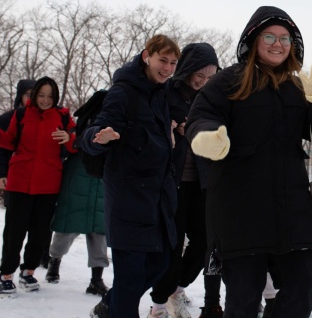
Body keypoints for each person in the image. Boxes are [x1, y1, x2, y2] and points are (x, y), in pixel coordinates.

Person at [185, 5, 312, 318]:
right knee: (243, 299)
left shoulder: (297, 85)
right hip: (240, 210)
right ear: (253, 40)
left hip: (292, 209)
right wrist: (207, 136)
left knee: (302, 289)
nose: (277, 44)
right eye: (269, 36)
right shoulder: (228, 81)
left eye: (285, 38)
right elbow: (201, 116)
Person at [81, 34, 181, 318]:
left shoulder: (161, 92)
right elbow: (93, 133)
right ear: (146, 56)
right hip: (129, 199)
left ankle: (109, 306)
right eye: (163, 60)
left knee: (161, 264)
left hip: (158, 200)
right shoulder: (123, 93)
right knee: (130, 276)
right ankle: (116, 308)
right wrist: (99, 137)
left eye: (173, 63)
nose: (168, 68)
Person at [147, 42, 222, 318]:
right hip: (171, 183)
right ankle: (158, 305)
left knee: (204, 242)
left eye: (210, 77)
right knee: (172, 245)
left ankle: (176, 289)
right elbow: (149, 127)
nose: (203, 82)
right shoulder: (166, 92)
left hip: (202, 184)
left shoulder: (213, 98)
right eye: (199, 75)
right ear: (188, 69)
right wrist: (171, 128)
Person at [0, 76, 76, 296]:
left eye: (50, 96)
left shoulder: (62, 116)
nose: (45, 100)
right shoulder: (21, 114)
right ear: (33, 96)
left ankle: (28, 271)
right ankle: (6, 274)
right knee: (14, 232)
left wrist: (69, 138)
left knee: (40, 232)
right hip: (19, 180)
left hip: (49, 183)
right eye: (41, 95)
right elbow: (9, 141)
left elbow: (76, 145)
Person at [44, 95, 112, 296]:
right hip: (77, 183)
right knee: (67, 228)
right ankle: (54, 262)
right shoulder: (80, 127)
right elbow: (70, 147)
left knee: (99, 233)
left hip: (102, 184)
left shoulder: (115, 127)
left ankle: (96, 279)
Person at [0, 79, 36, 203]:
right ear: (20, 97)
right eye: (28, 95)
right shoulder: (7, 119)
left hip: (38, 181)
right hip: (12, 177)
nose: (31, 99)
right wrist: (1, 174)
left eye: (35, 95)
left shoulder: (46, 120)